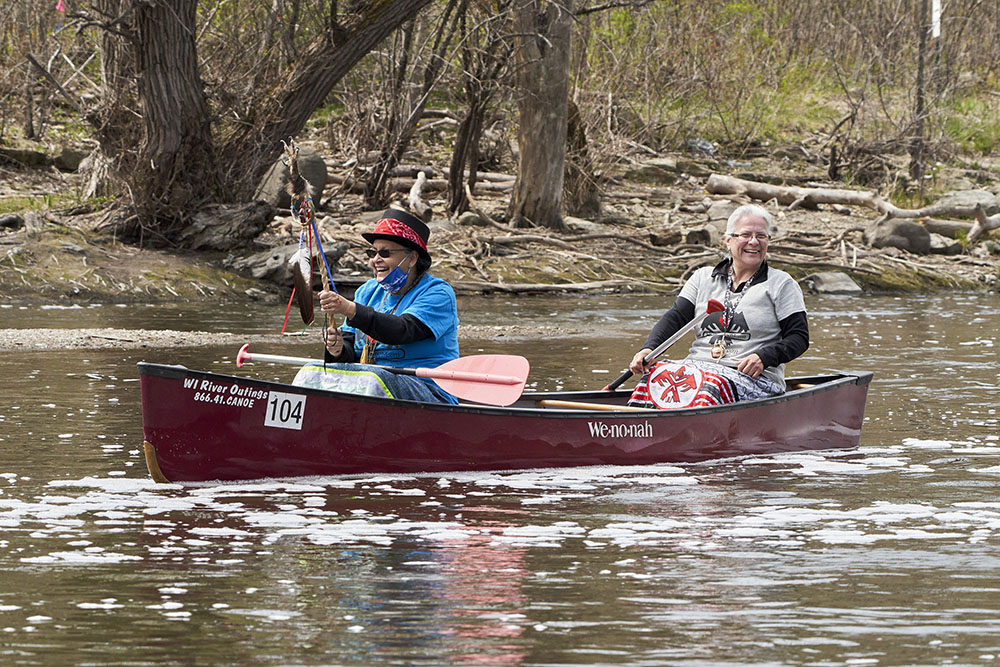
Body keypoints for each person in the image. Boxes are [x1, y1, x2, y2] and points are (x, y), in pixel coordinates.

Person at [625, 204, 809, 409]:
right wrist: (648, 349)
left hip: (754, 378)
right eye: (746, 234)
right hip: (699, 369)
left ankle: (686, 432)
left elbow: (799, 338)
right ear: (728, 240)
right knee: (657, 373)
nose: (754, 242)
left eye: (761, 236)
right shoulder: (702, 277)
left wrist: (764, 357)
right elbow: (675, 318)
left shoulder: (782, 284)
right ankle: (636, 428)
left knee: (710, 385)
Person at [294, 206, 460, 404]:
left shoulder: (438, 293)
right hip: (371, 382)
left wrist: (349, 309)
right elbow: (350, 351)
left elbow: (402, 330)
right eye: (372, 253)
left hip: (430, 390)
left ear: (412, 258)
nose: (375, 260)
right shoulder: (367, 291)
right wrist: (337, 349)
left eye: (385, 253)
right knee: (310, 373)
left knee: (371, 380)